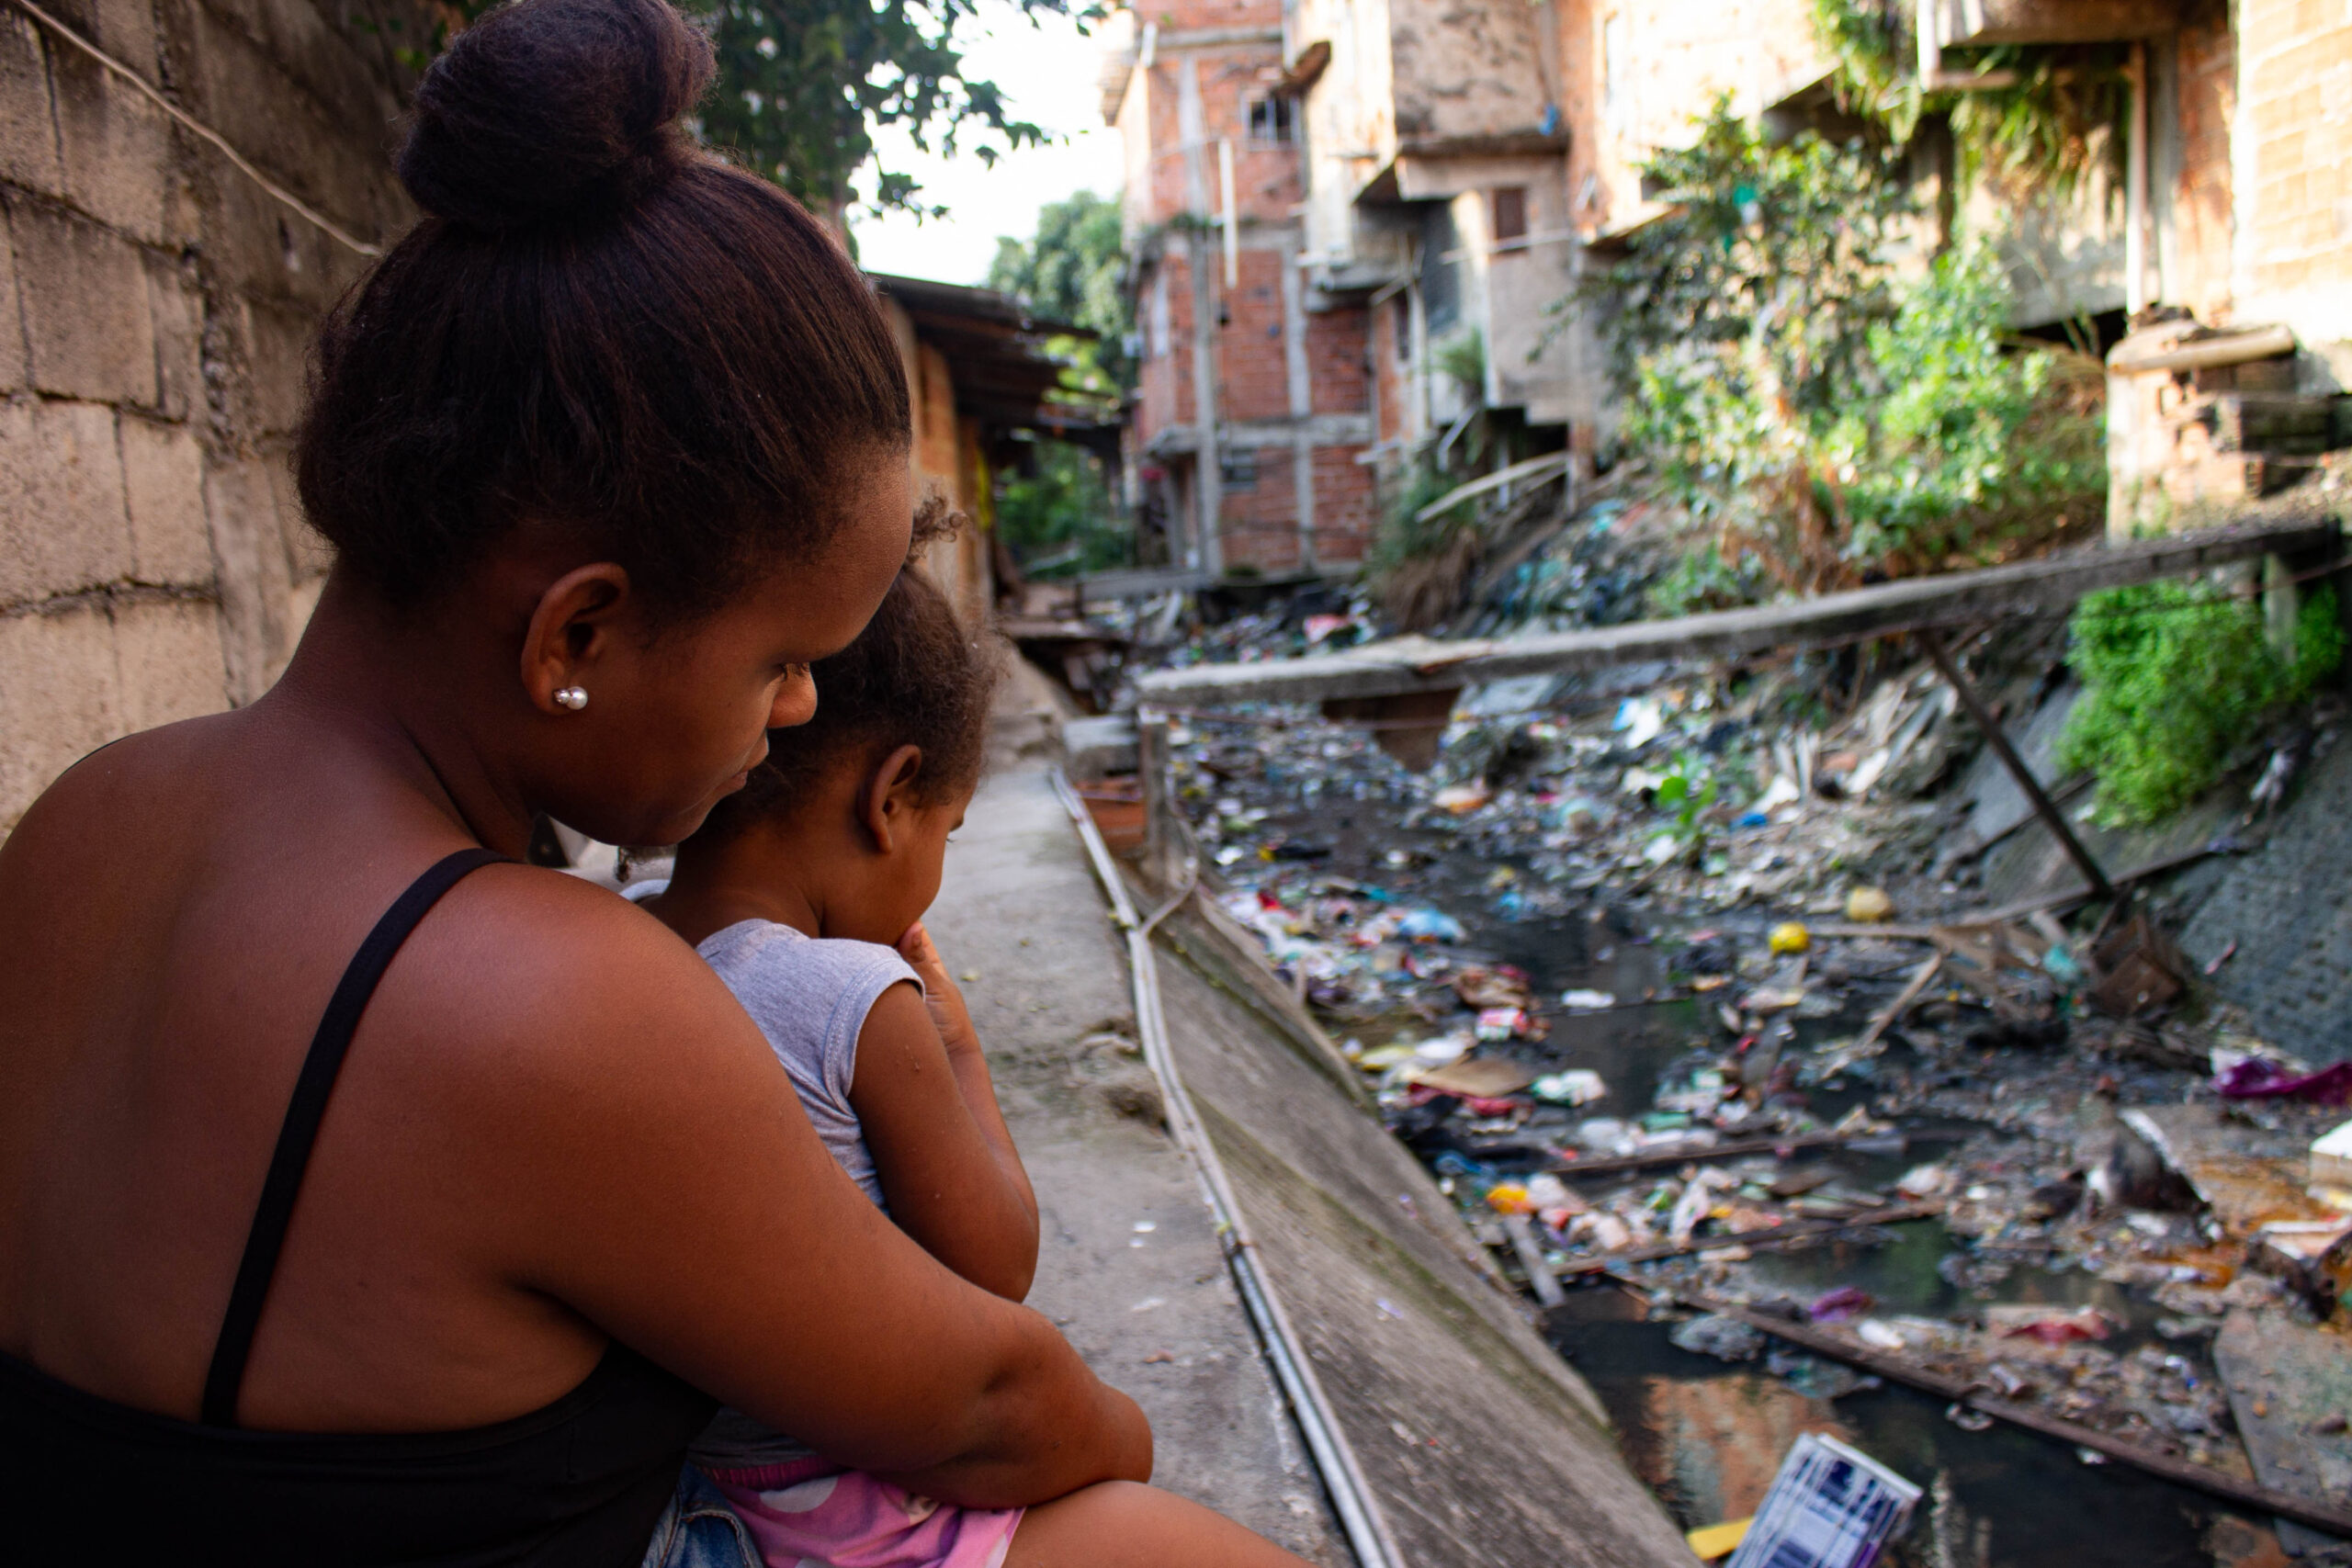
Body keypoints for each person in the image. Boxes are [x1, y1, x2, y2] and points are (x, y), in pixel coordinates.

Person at [0, 0, 1242, 1560]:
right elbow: (991, 1397)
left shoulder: (81, 821)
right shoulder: (549, 995)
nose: (797, 715)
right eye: (784, 658)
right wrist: (1122, 1456)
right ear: (578, 628)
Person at [634, 518, 1312, 1567]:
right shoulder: (850, 994)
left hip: (678, 1512)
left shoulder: (616, 939)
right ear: (891, 796)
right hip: (838, 1512)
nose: (940, 861)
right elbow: (996, 1263)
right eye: (946, 833)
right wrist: (958, 1047)